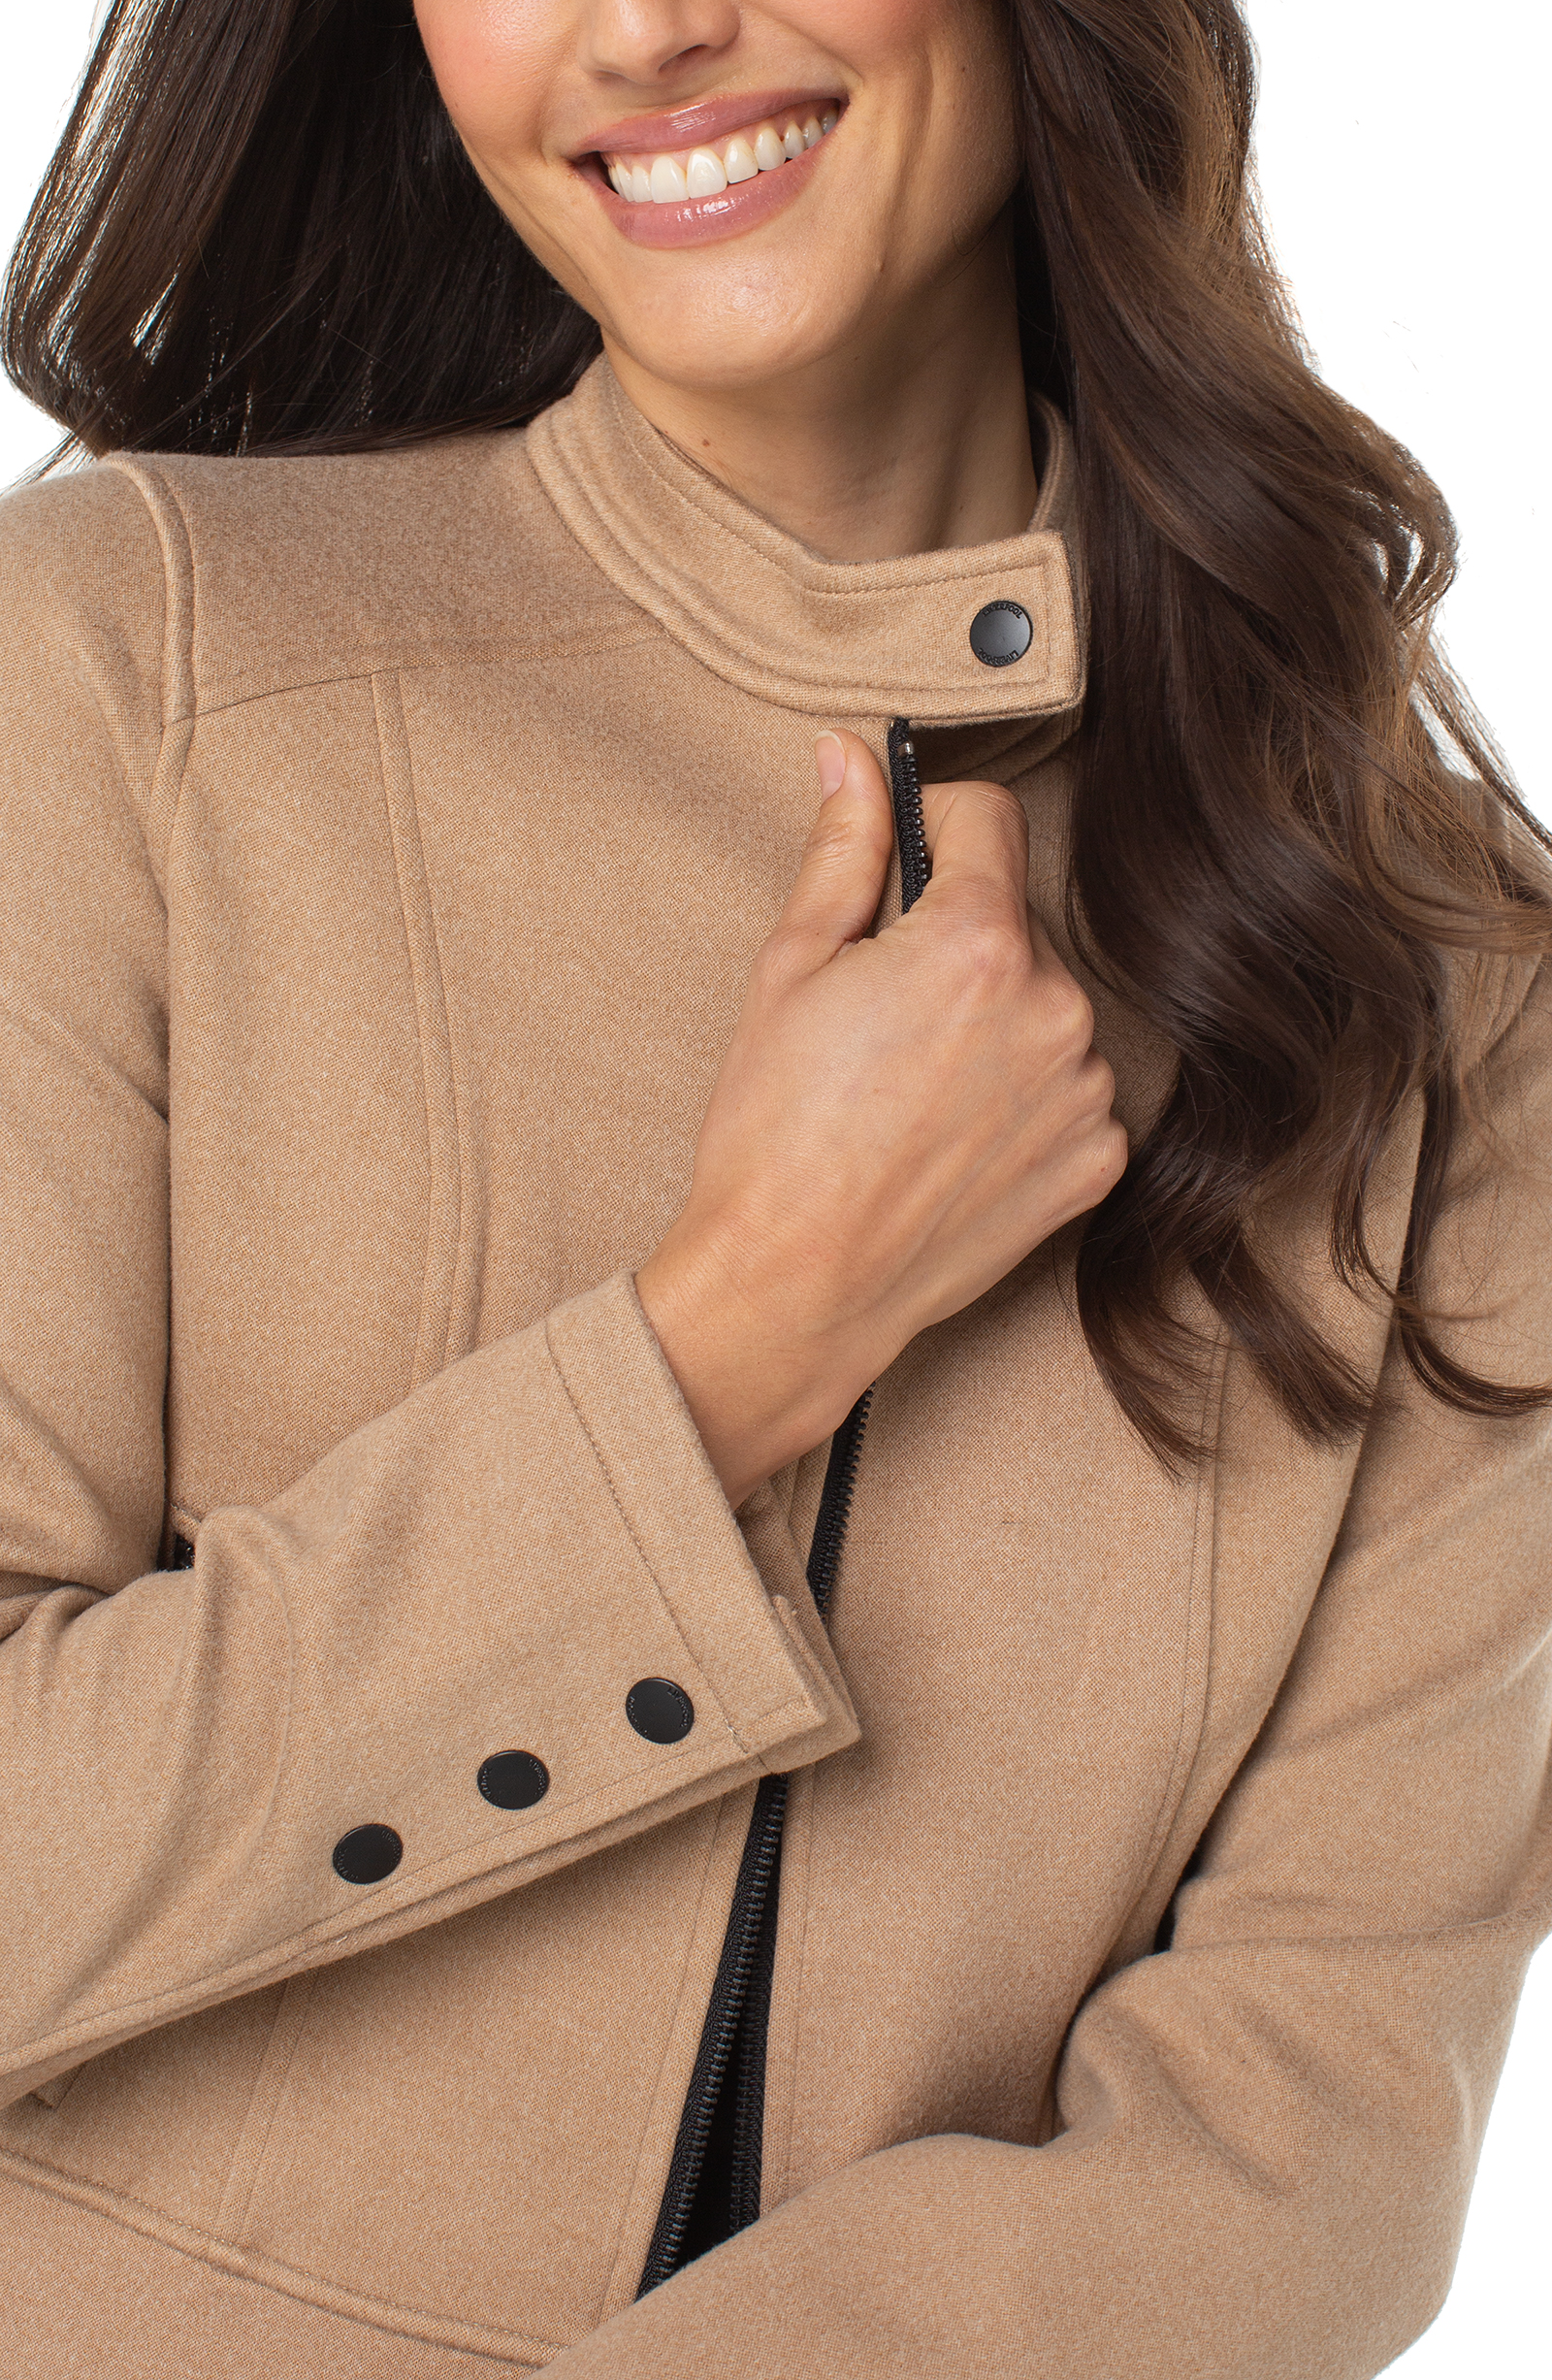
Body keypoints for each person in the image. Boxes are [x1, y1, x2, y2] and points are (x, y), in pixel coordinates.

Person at [0, 0, 1547, 2373]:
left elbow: (1305, 2145)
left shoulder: (1444, 983)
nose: (643, 32)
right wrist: (716, 1355)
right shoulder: (133, 668)